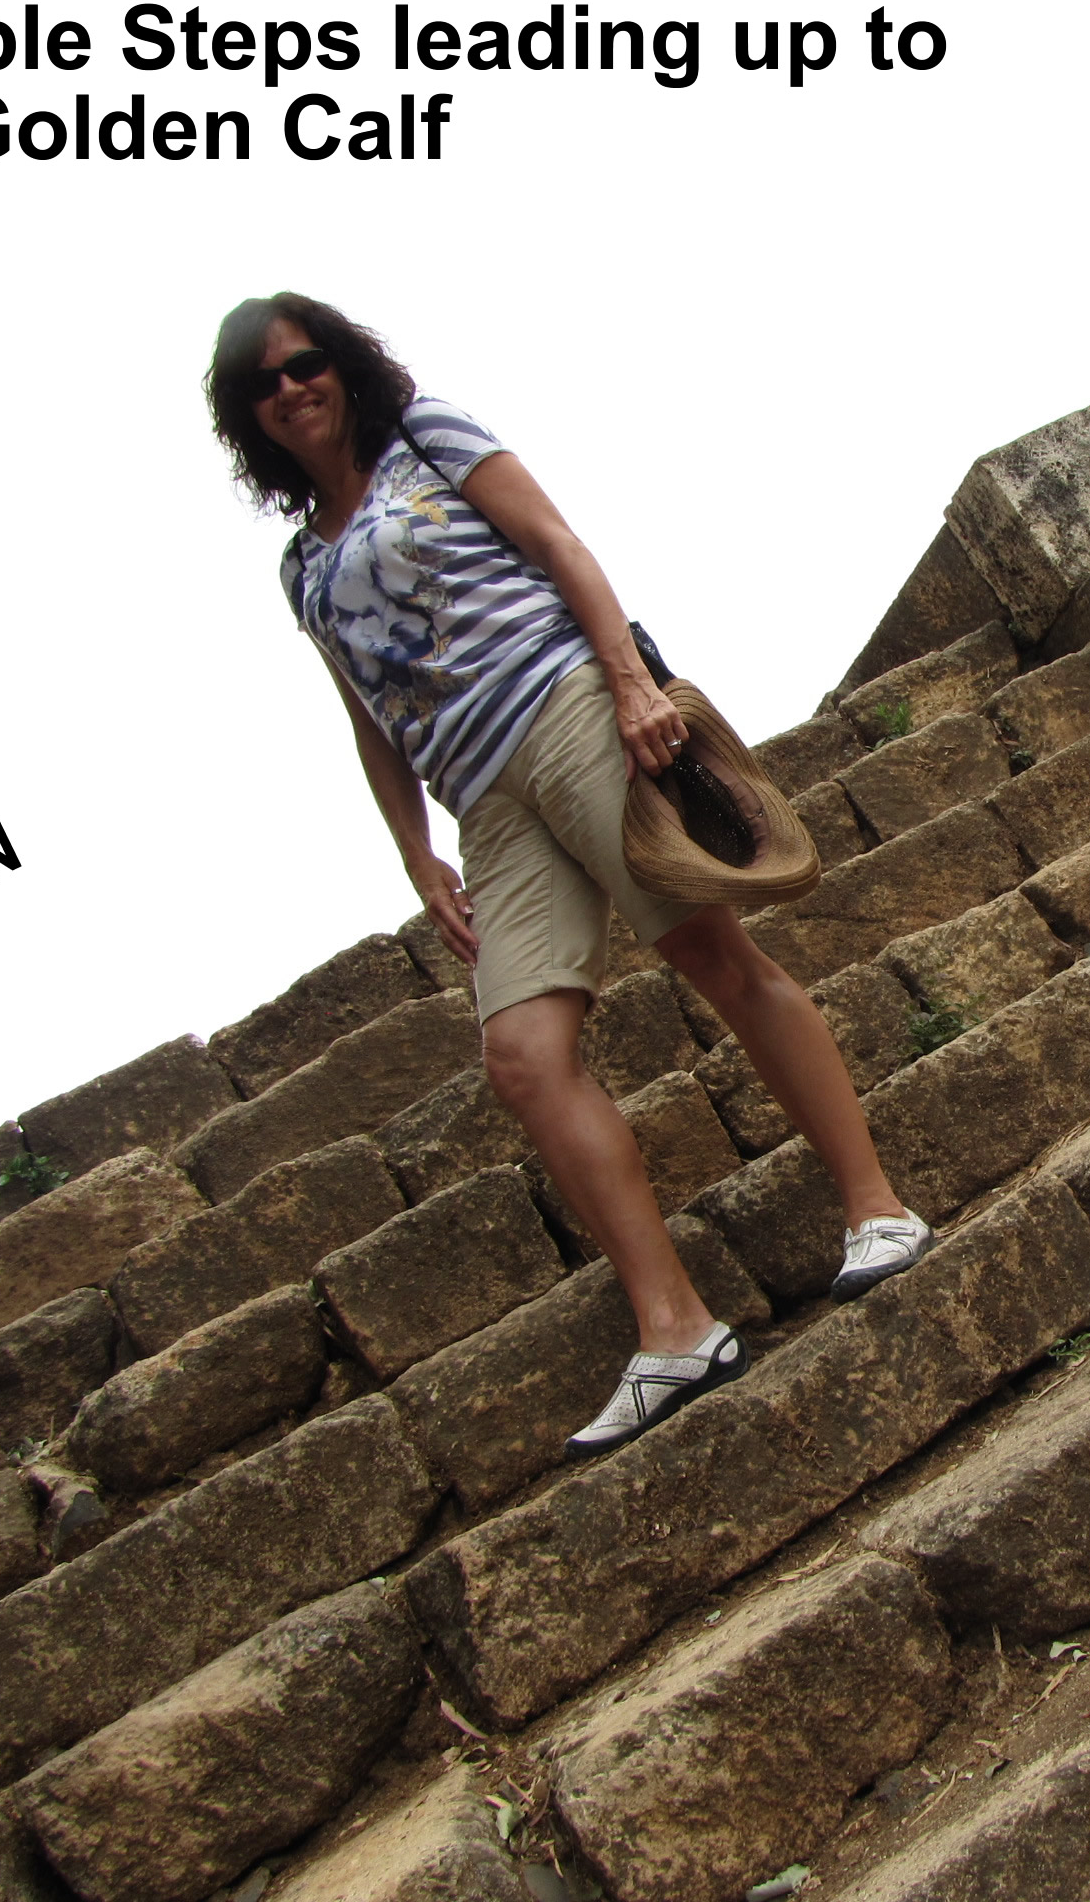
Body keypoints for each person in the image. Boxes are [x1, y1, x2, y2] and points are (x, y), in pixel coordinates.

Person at [205, 292, 932, 1457]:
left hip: (568, 711)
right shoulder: (300, 570)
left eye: (304, 364)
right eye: (263, 383)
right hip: (481, 801)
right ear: (247, 418)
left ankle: (876, 1207)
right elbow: (367, 714)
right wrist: (413, 850)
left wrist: (633, 684)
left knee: (713, 957)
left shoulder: (424, 438)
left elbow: (558, 546)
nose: (290, 389)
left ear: (338, 365)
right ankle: (675, 1325)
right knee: (523, 1058)